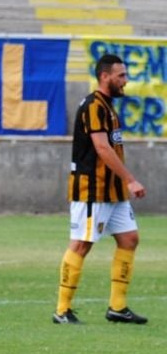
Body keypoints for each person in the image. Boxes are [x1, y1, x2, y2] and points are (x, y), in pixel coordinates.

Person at [52, 54, 148, 325]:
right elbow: (102, 148)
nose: (125, 81)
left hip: (114, 192)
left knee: (129, 239)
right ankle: (62, 310)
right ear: (105, 76)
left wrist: (123, 183)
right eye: (121, 76)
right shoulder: (94, 105)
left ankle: (117, 307)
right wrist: (131, 179)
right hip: (93, 189)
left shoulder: (108, 106)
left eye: (125, 75)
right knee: (82, 244)